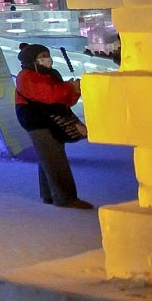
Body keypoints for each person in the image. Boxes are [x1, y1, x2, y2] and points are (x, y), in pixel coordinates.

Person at [14, 42, 93, 209]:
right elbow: (49, 95)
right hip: (37, 121)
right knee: (55, 160)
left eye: (46, 55)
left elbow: (64, 100)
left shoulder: (50, 74)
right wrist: (68, 87)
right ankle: (65, 198)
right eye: (42, 56)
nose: (47, 59)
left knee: (49, 158)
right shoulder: (26, 76)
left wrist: (75, 90)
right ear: (32, 59)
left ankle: (49, 194)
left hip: (50, 120)